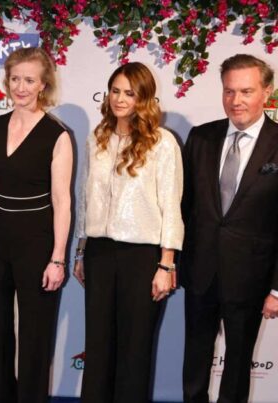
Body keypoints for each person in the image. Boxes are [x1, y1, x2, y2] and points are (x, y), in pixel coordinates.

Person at [73, 62, 183, 402]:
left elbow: (171, 205)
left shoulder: (162, 143)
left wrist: (166, 264)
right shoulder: (97, 137)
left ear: (144, 98)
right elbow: (85, 197)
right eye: (115, 91)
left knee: (134, 349)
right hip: (99, 253)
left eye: (129, 93)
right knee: (98, 346)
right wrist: (81, 249)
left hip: (142, 256)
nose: (120, 99)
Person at [0, 47, 73, 403]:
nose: (20, 87)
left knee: (35, 332)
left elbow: (62, 200)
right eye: (15, 79)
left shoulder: (57, 135)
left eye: (29, 80)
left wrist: (58, 257)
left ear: (43, 84)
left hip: (36, 239)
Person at [181, 54, 278, 403]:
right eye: (229, 91)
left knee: (237, 366)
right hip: (201, 271)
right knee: (194, 361)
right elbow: (184, 206)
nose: (236, 100)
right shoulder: (200, 138)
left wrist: (276, 288)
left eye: (246, 91)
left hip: (251, 276)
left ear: (266, 92)